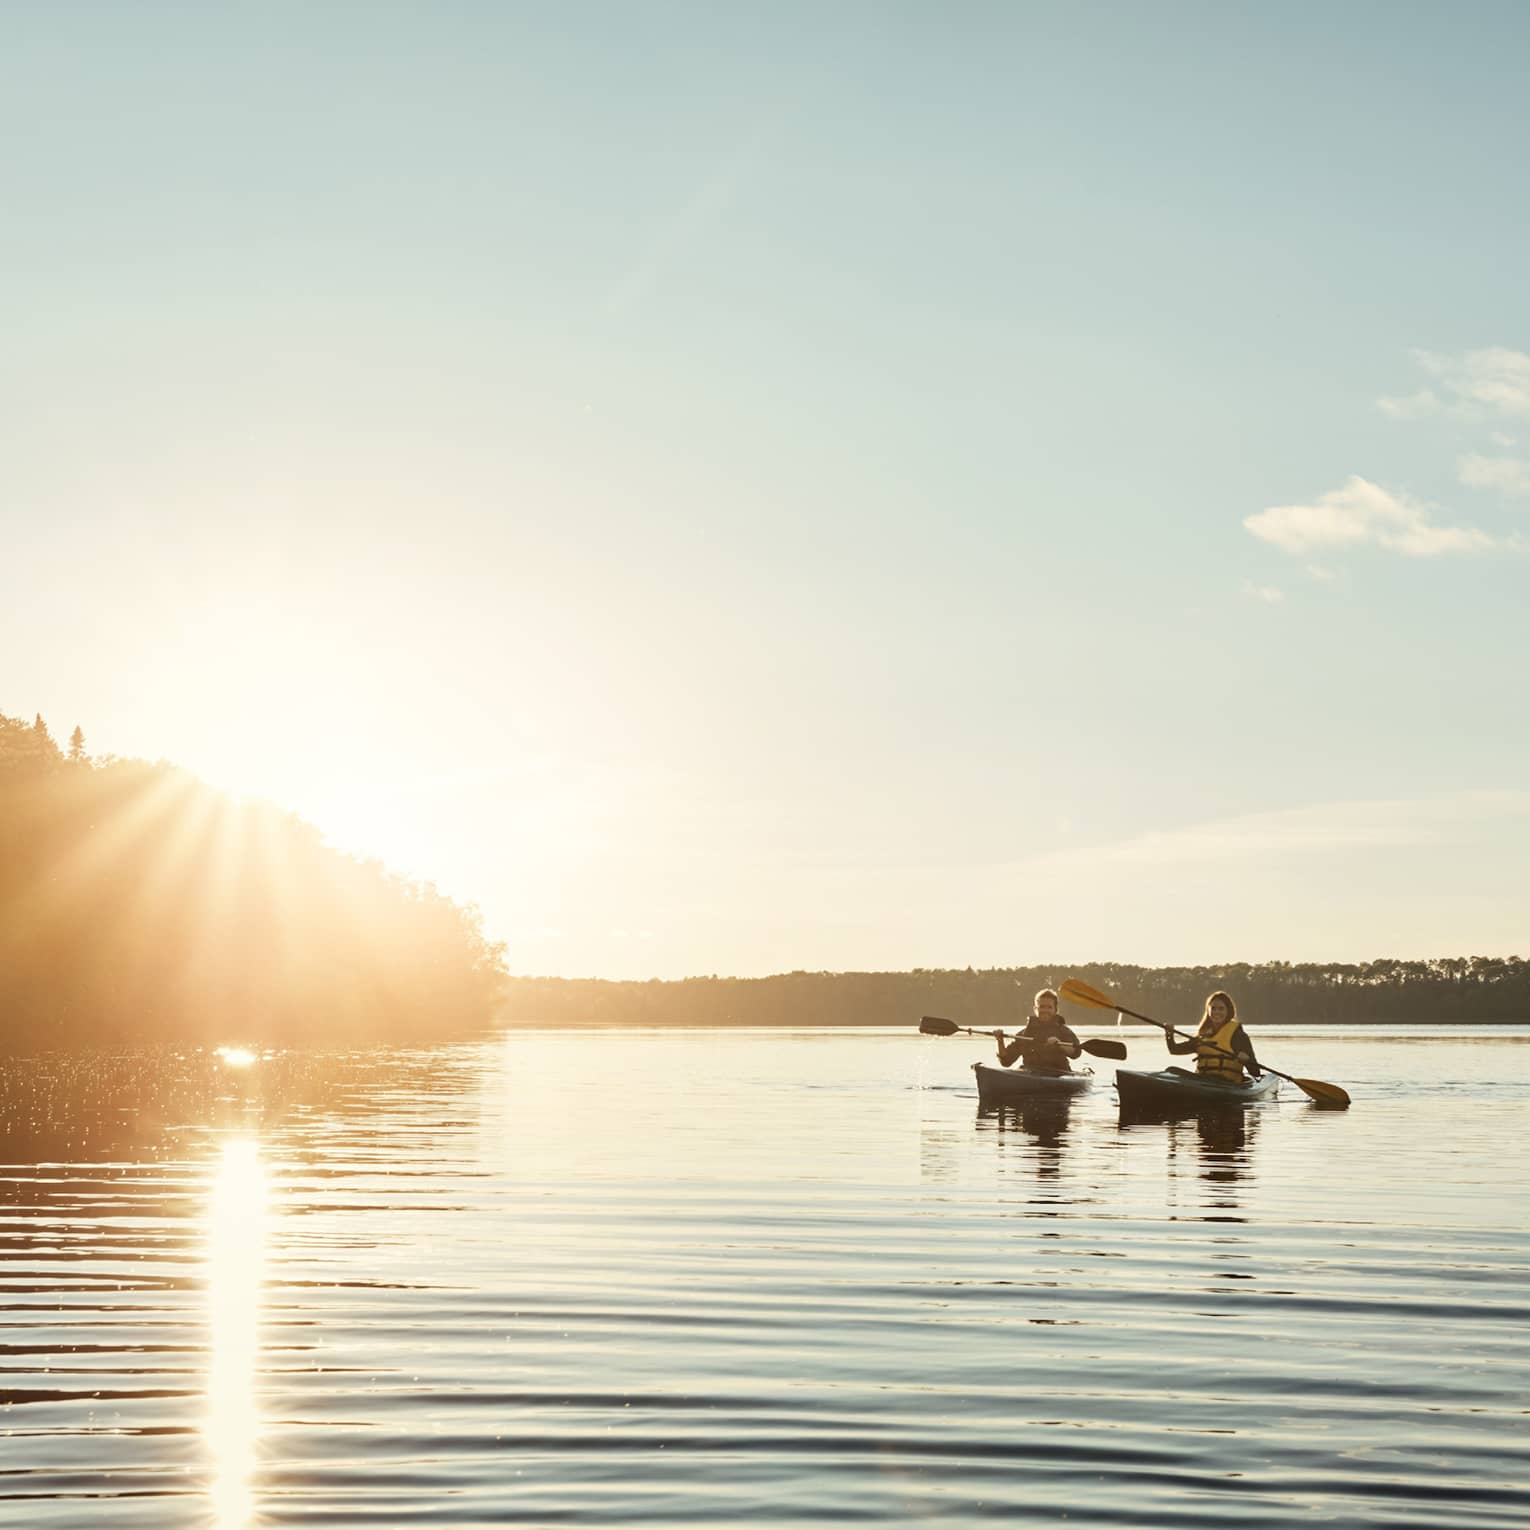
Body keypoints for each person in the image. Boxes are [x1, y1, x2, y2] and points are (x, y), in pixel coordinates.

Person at [1165, 990, 1262, 1083]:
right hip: (1203, 1081)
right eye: (1213, 1008)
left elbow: (1256, 1072)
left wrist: (1247, 1061)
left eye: (1221, 1008)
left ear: (1229, 1011)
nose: (1217, 1012)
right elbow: (1174, 1050)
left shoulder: (1239, 1036)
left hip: (1228, 1084)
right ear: (1208, 1010)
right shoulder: (1203, 1036)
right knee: (1171, 1070)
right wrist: (1169, 1034)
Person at [991, 988, 1082, 1074]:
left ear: (1055, 1010)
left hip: (1058, 1074)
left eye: (1049, 1007)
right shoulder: (1024, 1034)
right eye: (1042, 1007)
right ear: (1035, 1009)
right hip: (1031, 1073)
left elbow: (1076, 1053)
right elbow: (1006, 1061)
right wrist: (1000, 1041)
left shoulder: (1064, 1031)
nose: (1045, 1010)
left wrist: (1060, 1044)